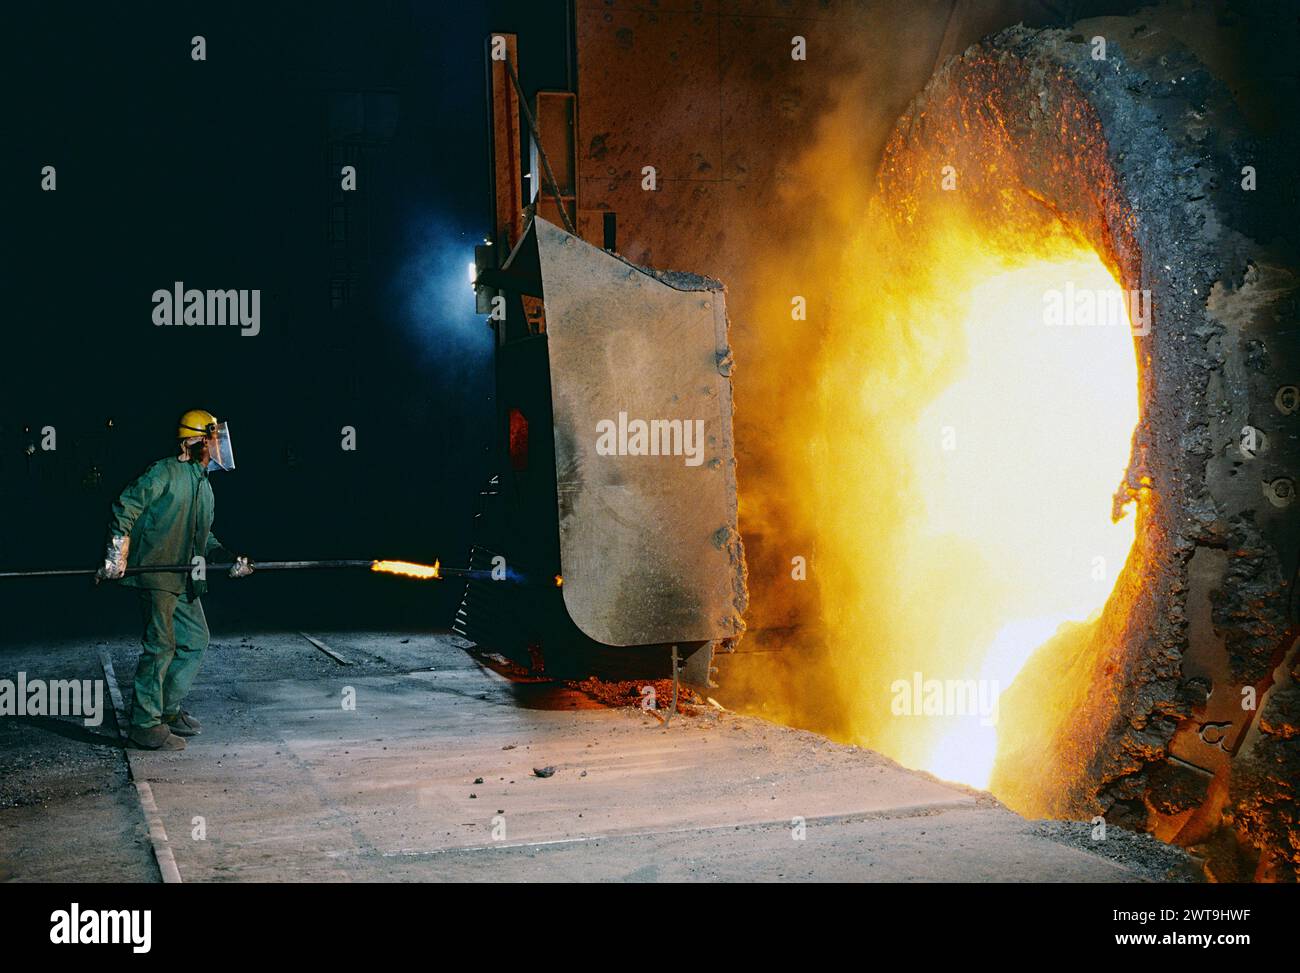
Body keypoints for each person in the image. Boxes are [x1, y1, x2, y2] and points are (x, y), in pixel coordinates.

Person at [96, 409, 252, 750]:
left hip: (186, 577)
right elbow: (126, 506)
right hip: (157, 573)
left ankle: (166, 710)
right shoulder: (164, 473)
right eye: (213, 439)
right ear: (195, 441)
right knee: (161, 646)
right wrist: (116, 553)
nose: (218, 446)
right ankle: (144, 724)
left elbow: (203, 536)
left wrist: (227, 557)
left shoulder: (203, 485)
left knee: (196, 639)